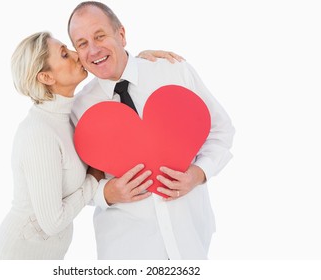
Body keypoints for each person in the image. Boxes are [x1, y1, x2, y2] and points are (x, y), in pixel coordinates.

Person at [0, 31, 183, 259]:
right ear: (46, 78)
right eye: (64, 54)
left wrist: (136, 62)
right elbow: (52, 222)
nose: (76, 54)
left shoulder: (68, 117)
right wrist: (95, 180)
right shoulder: (38, 133)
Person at [68, 1, 235, 260]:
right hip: (125, 249)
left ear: (121, 35)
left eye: (100, 35)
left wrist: (199, 173)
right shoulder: (79, 109)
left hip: (190, 238)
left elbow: (221, 130)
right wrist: (106, 193)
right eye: (82, 43)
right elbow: (75, 185)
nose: (93, 49)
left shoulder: (172, 71)